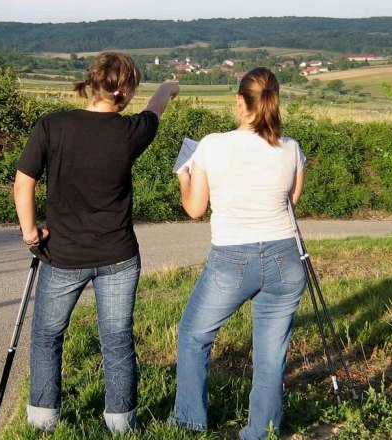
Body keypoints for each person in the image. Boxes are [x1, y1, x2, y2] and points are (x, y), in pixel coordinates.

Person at [13, 51, 179, 434]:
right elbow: (155, 109)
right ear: (126, 90)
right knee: (117, 338)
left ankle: (43, 420)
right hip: (119, 255)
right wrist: (169, 87)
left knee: (46, 336)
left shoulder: (51, 126)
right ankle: (120, 422)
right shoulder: (131, 132)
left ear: (91, 82)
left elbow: (24, 183)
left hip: (63, 255)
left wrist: (30, 232)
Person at [169, 67, 306, 440]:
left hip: (232, 259)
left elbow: (195, 209)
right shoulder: (291, 147)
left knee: (194, 335)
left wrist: (184, 175)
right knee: (270, 353)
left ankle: (189, 421)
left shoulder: (211, 144)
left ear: (239, 99)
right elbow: (291, 200)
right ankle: (261, 432)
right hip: (285, 258)